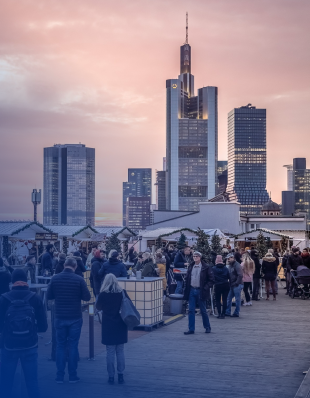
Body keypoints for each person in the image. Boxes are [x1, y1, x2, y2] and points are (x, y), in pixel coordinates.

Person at [0, 269, 47, 398]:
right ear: (26, 280)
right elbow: (43, 327)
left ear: (12, 282)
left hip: (9, 345)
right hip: (30, 345)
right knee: (32, 382)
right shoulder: (35, 298)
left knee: (6, 382)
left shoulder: (3, 298)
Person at [47, 257, 91, 383]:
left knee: (60, 346)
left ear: (64, 265)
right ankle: (72, 375)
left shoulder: (55, 278)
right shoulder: (79, 279)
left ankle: (59, 376)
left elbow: (49, 296)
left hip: (59, 316)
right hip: (75, 317)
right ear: (75, 266)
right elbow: (87, 297)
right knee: (73, 345)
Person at [96, 274, 130, 385]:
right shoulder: (122, 293)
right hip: (121, 324)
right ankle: (121, 375)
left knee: (110, 352)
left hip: (108, 325)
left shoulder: (103, 294)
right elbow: (128, 305)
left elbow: (98, 307)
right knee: (120, 351)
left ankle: (111, 376)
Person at [183, 251, 214, 334]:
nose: (195, 257)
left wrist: (205, 288)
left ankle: (207, 327)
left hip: (201, 290)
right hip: (192, 290)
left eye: (197, 256)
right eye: (194, 256)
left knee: (203, 310)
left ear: (200, 257)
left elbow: (211, 280)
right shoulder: (191, 266)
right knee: (191, 310)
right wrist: (186, 287)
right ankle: (191, 329)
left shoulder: (205, 267)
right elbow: (187, 278)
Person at [225, 253, 243, 318]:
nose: (228, 260)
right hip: (232, 284)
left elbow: (240, 275)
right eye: (227, 259)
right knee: (229, 298)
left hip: (237, 284)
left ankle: (236, 312)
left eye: (229, 258)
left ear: (233, 258)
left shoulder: (237, 265)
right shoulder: (230, 265)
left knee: (237, 299)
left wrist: (236, 283)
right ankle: (228, 311)